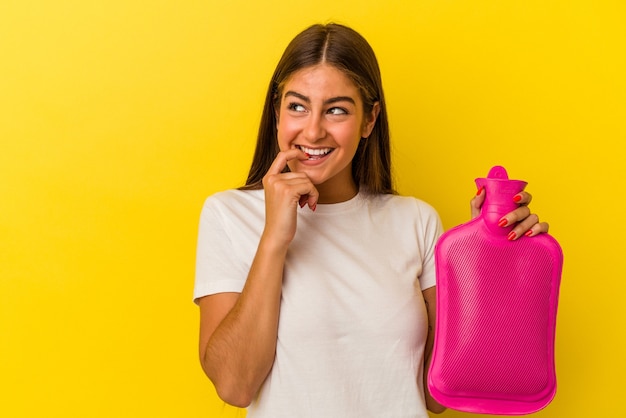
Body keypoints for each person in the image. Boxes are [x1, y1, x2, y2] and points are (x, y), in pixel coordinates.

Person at [194, 23, 548, 418]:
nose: (312, 130)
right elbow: (234, 384)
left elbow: (438, 396)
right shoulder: (228, 215)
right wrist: (275, 236)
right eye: (297, 106)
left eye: (337, 110)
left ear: (369, 119)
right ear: (276, 111)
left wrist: (483, 261)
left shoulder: (416, 221)